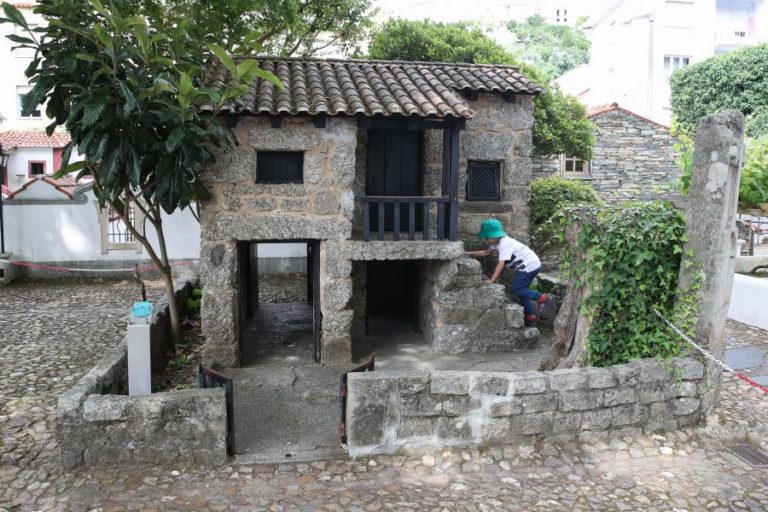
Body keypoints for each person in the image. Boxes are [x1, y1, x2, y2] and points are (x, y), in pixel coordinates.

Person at [466, 218, 550, 327]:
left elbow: (501, 264)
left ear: (496, 235)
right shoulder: (496, 242)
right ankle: (530, 316)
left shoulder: (505, 243)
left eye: (487, 237)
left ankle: (542, 298)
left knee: (515, 289)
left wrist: (492, 280)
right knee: (522, 292)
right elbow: (487, 252)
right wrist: (469, 253)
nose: (485, 240)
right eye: (485, 238)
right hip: (528, 266)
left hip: (530, 266)